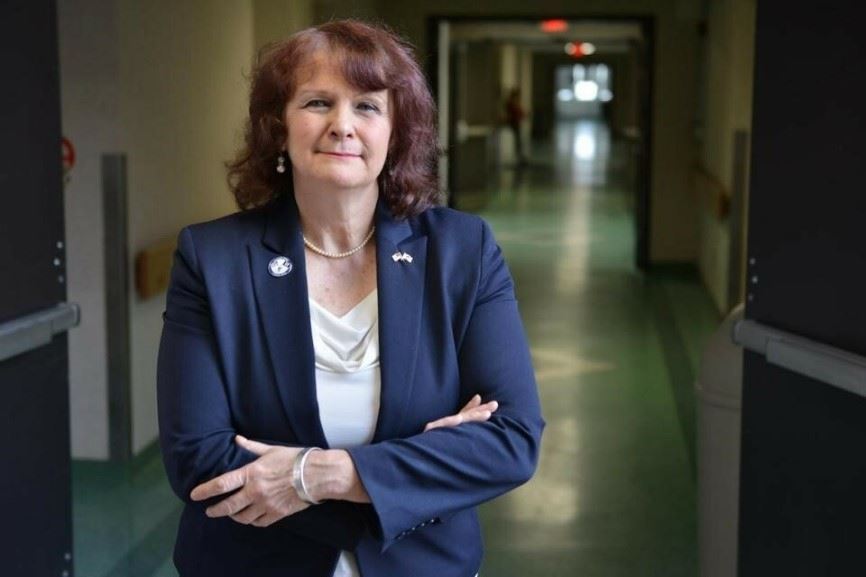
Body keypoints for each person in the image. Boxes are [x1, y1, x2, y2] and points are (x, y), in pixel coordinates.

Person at [157, 19, 544, 577]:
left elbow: (512, 439)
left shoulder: (462, 251)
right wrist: (418, 476)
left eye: (367, 106)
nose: (343, 126)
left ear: (396, 132)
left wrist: (318, 475)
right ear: (278, 127)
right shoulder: (212, 258)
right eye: (317, 102)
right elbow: (197, 459)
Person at [504, 87, 527, 165]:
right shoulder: (511, 103)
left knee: (519, 142)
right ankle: (518, 158)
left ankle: (520, 157)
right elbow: (516, 113)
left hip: (516, 124)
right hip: (514, 124)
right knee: (517, 142)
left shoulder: (515, 103)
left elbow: (520, 113)